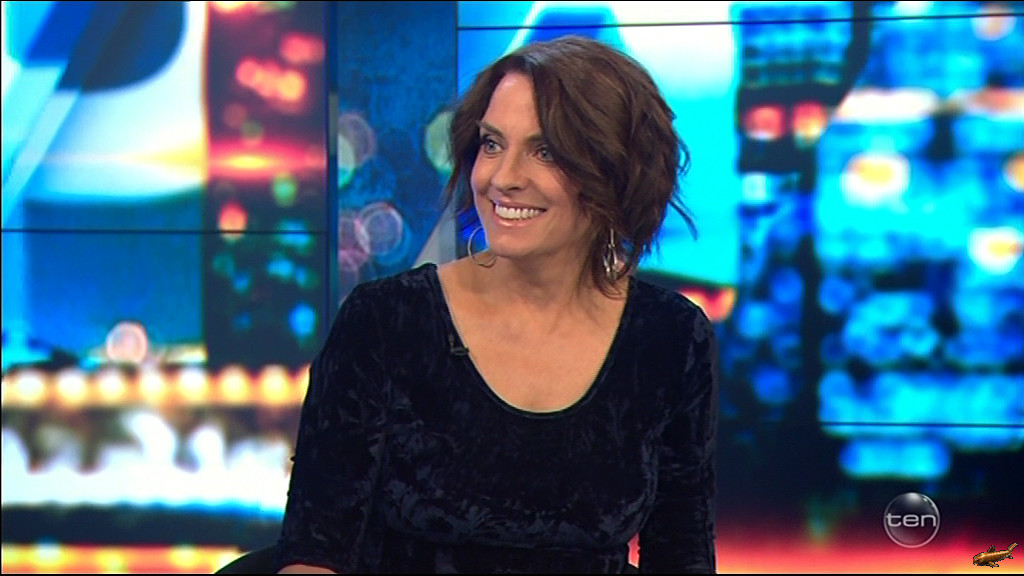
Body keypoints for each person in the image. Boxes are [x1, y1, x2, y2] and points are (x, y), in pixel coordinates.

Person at [274, 34, 719, 574]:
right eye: (491, 144)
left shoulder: (670, 338)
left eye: (545, 151)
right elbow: (314, 553)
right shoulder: (386, 322)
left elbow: (682, 554)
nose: (502, 179)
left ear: (615, 170)